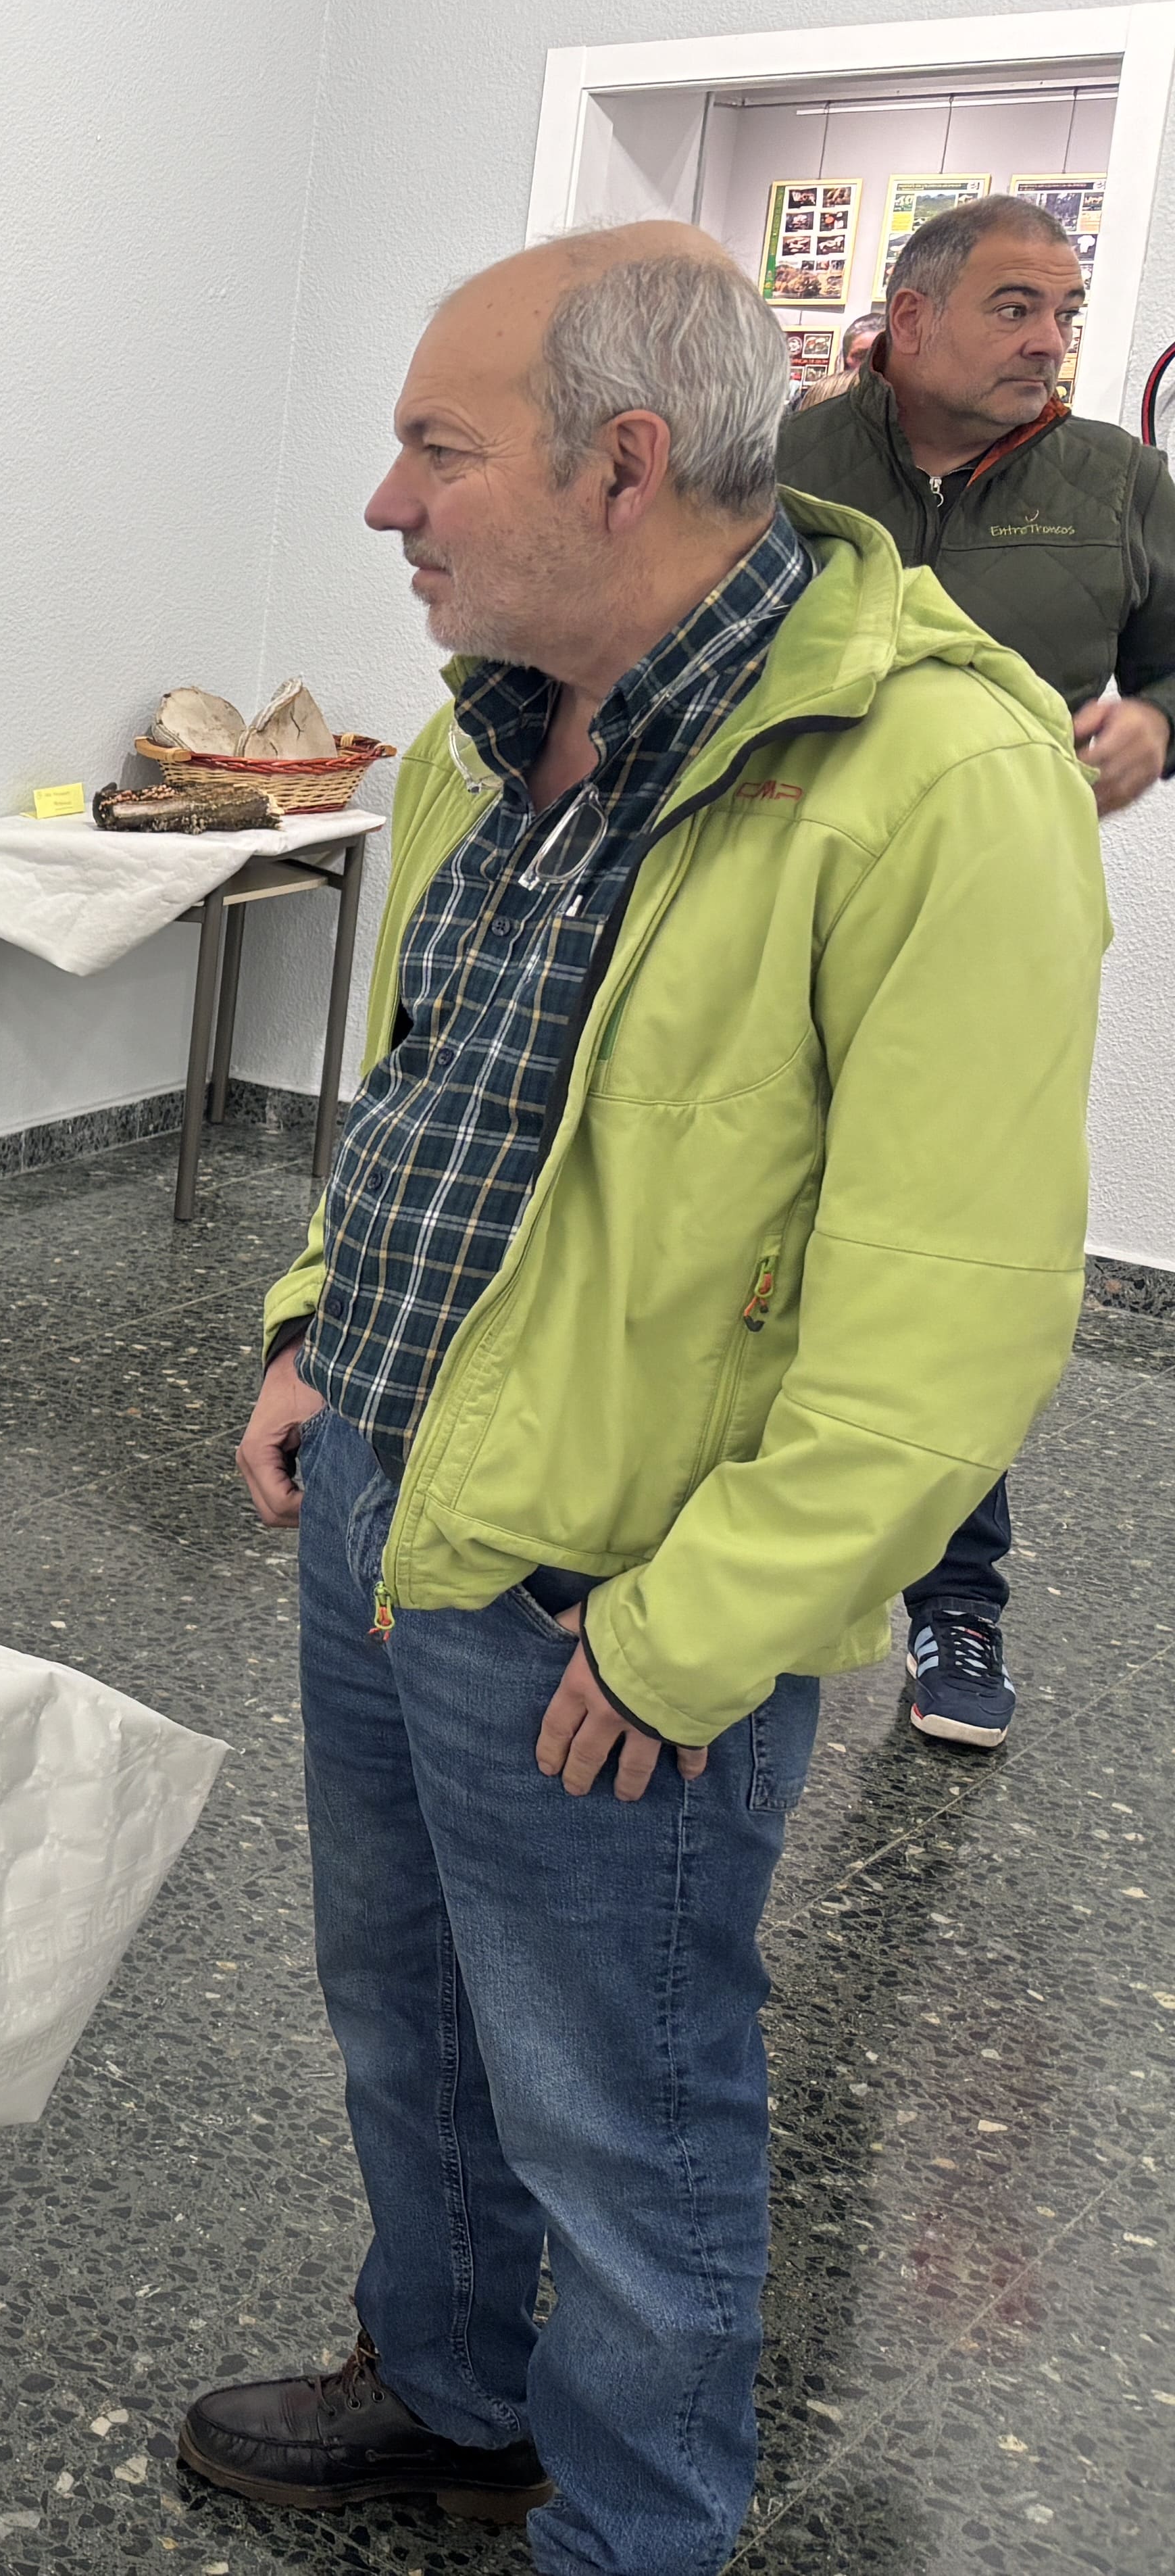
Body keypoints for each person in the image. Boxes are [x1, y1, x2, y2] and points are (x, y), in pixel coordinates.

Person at [182, 226, 1101, 2573]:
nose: (387, 506)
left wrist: (697, 1627)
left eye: (432, 448)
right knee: (402, 2015)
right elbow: (422, 1098)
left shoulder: (930, 778)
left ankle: (636, 2524)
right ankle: (463, 2391)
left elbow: (955, 1313)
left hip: (621, 1595)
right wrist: (312, 1325)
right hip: (392, 1489)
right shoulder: (470, 746)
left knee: (622, 2100)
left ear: (618, 463)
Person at [777, 189, 1174, 1747]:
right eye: (1018, 306)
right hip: (776, 903)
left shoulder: (1120, 481)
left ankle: (959, 1605)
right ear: (912, 312)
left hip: (992, 927)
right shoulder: (788, 459)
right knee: (747, 1212)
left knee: (945, 1258)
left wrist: (1158, 717)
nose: (1053, 341)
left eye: (1068, 312)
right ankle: (722, 1555)